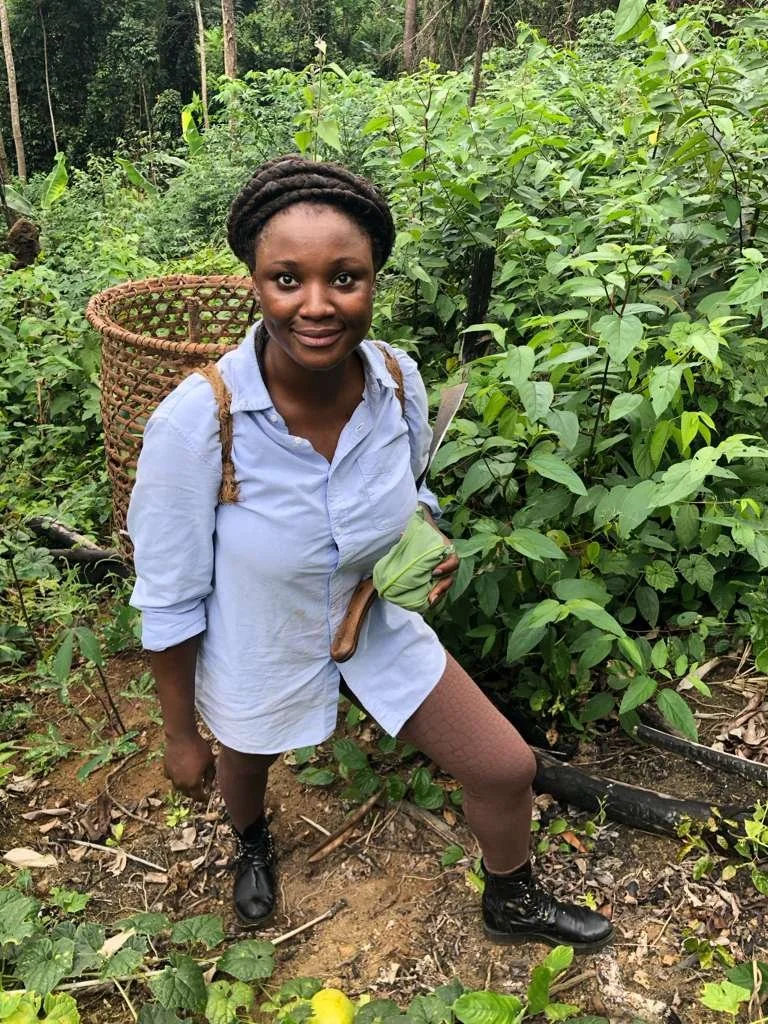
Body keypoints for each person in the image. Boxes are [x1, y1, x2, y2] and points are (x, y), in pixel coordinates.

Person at [127, 155, 613, 952]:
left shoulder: (396, 379)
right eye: (287, 279)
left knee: (502, 766)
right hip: (260, 636)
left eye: (344, 278)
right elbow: (171, 594)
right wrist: (183, 735)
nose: (315, 305)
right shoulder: (197, 423)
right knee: (245, 763)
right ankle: (251, 841)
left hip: (372, 619)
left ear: (375, 280)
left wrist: (430, 539)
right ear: (254, 282)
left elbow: (412, 489)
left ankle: (512, 901)